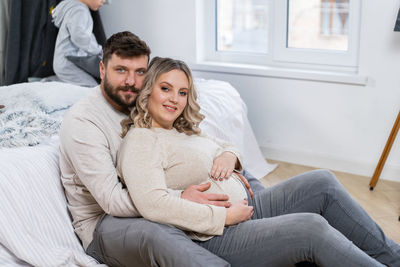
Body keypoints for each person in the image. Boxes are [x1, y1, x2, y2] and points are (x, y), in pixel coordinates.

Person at [117, 56, 400, 267]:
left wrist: (229, 155)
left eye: (182, 92)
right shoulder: (143, 140)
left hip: (250, 207)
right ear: (148, 90)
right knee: (309, 228)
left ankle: (394, 257)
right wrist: (223, 217)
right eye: (166, 89)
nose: (175, 100)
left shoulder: (181, 128)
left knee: (322, 181)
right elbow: (152, 204)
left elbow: (225, 145)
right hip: (218, 234)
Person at [59, 31, 262, 267]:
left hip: (154, 199)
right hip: (104, 224)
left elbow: (199, 141)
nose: (130, 81)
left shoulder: (142, 100)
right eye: (121, 70)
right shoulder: (83, 122)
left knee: (245, 177)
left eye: (140, 73)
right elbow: (112, 200)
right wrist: (179, 197)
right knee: (158, 234)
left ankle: (271, 231)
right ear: (103, 70)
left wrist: (229, 156)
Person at [52, 0, 104, 87]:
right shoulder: (79, 10)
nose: (103, 1)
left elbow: (85, 36)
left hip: (66, 61)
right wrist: (98, 50)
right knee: (90, 87)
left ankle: (49, 82)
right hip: (68, 63)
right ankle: (44, 84)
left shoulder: (77, 9)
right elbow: (79, 36)